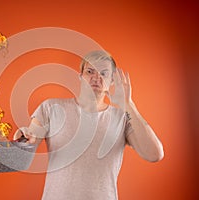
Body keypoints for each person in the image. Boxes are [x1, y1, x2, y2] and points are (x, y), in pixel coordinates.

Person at [13, 50, 164, 200]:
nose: (96, 78)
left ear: (112, 80)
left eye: (103, 73)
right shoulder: (51, 107)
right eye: (90, 71)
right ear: (80, 76)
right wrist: (25, 137)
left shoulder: (123, 118)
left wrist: (128, 105)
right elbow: (28, 143)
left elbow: (154, 154)